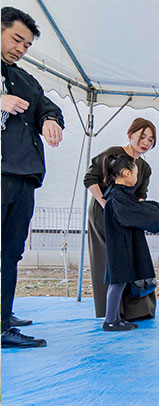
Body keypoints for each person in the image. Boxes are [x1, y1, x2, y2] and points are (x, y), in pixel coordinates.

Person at [1, 6, 64, 348]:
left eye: (26, 45)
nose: (21, 49)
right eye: (16, 39)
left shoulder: (26, 80)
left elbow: (47, 106)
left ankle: (3, 316)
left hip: (24, 176)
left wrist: (50, 120)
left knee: (11, 252)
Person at [83, 118, 157, 321]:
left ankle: (136, 310)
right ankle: (113, 314)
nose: (146, 142)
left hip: (127, 216)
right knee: (111, 261)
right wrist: (105, 203)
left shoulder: (145, 167)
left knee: (133, 257)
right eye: (142, 136)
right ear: (130, 134)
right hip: (103, 212)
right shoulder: (114, 153)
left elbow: (141, 193)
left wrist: (136, 213)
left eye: (151, 139)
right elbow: (90, 179)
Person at [100, 154, 159, 331]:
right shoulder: (118, 197)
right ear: (126, 173)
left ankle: (114, 318)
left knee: (119, 282)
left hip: (122, 246)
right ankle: (110, 321)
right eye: (135, 173)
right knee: (117, 283)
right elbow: (134, 214)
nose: (137, 177)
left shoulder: (119, 194)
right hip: (120, 247)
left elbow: (137, 209)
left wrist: (153, 209)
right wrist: (156, 211)